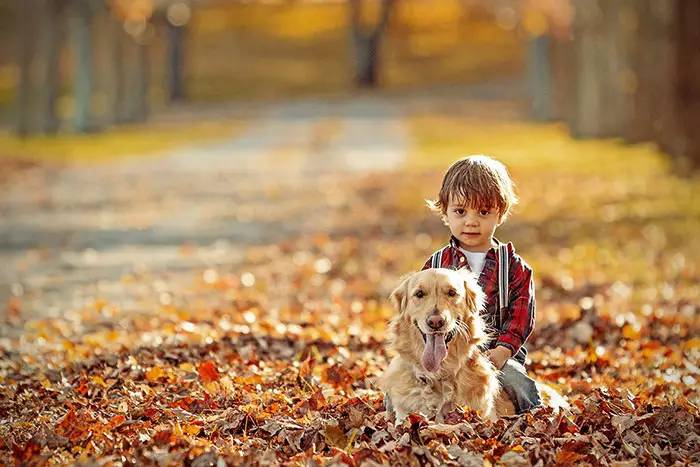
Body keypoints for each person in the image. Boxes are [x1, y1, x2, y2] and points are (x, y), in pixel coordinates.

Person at [421, 154, 541, 414]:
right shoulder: (437, 263)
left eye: (484, 212)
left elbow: (521, 319)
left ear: (500, 214)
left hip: (495, 353)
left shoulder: (514, 267)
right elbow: (422, 307)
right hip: (445, 349)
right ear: (446, 212)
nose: (471, 221)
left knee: (516, 383)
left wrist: (503, 351)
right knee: (407, 381)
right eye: (460, 211)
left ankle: (535, 418)